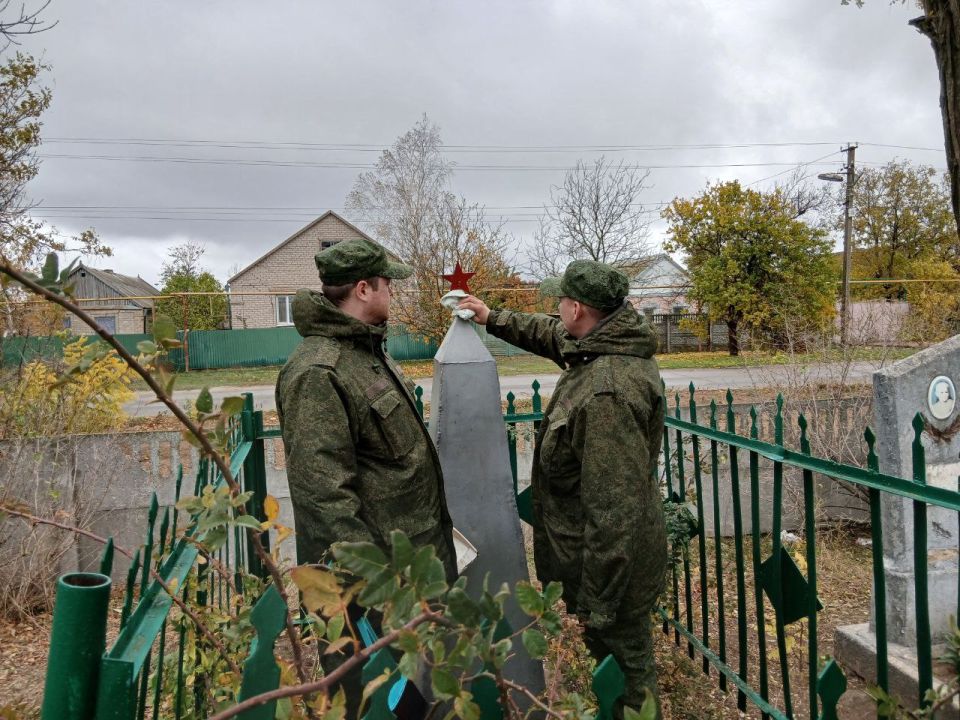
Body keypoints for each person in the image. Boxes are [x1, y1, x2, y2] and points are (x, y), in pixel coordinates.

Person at [459, 260, 668, 718]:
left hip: (612, 572)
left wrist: (598, 602)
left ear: (577, 308)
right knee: (616, 665)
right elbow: (549, 334)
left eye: (560, 303)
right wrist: (491, 316)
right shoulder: (601, 345)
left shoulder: (608, 390)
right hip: (604, 561)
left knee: (626, 675)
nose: (557, 312)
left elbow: (613, 510)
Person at [276, 237, 457, 714]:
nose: (393, 293)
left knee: (424, 695)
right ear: (362, 289)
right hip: (374, 588)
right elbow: (324, 497)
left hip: (409, 567)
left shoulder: (364, 352)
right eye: (387, 284)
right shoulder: (320, 371)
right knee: (382, 704)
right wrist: (373, 591)